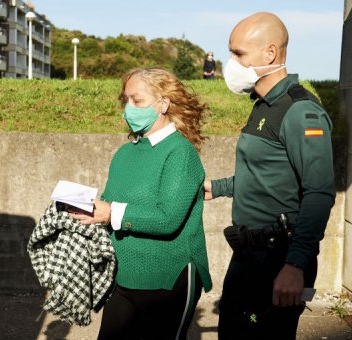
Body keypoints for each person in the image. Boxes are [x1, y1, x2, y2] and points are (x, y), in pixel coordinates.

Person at [204, 12, 335, 340]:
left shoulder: (302, 112)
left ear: (271, 53)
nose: (230, 63)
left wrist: (295, 266)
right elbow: (263, 176)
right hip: (248, 254)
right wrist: (215, 188)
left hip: (278, 258)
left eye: (238, 54)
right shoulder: (264, 105)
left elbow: (318, 192)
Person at [71, 67, 212, 339]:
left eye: (138, 101)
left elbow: (167, 219)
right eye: (126, 100)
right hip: (122, 277)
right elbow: (110, 210)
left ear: (163, 103)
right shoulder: (125, 153)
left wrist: (110, 212)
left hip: (168, 277)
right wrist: (85, 213)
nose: (128, 108)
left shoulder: (180, 153)